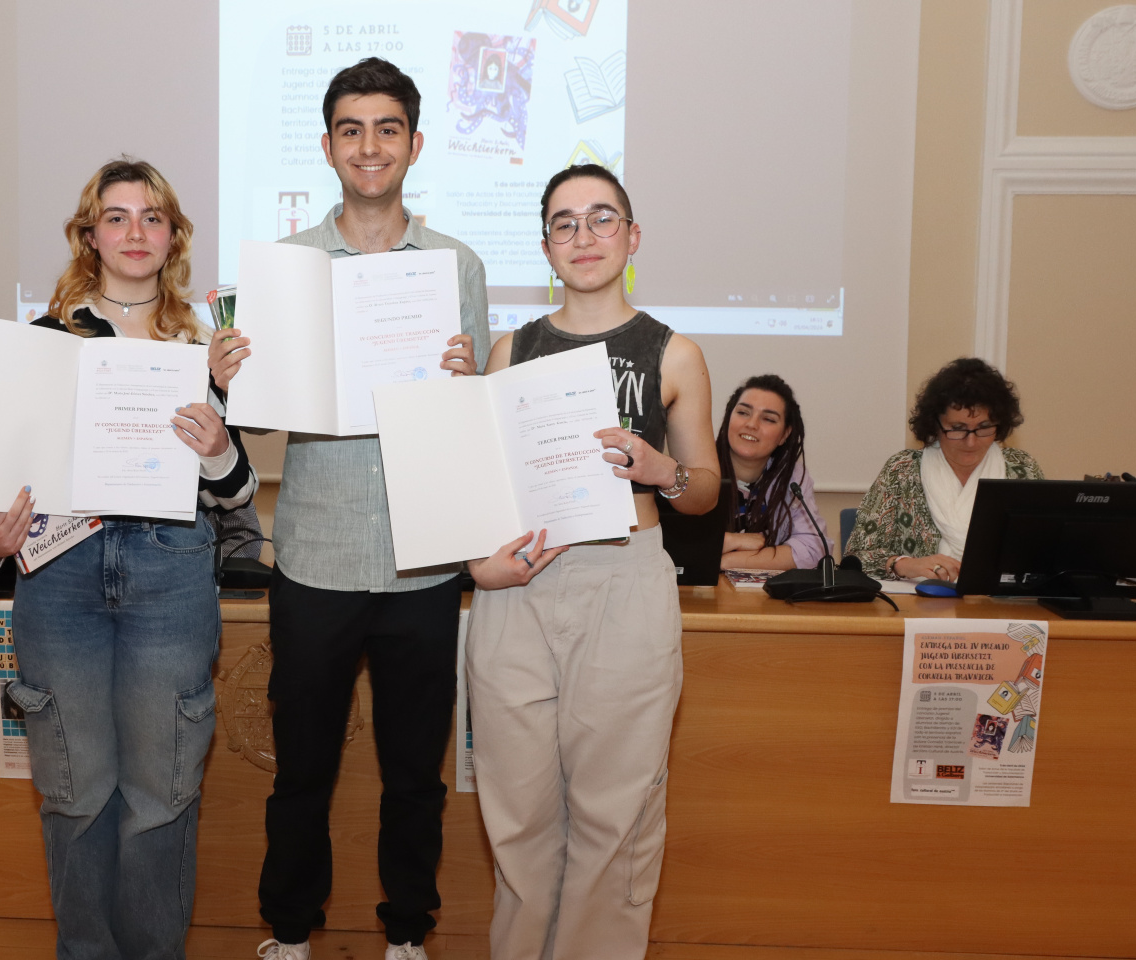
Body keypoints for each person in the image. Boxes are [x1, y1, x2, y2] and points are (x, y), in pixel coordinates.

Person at [208, 58, 488, 960]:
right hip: (315, 559)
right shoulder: (286, 267)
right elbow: (256, 420)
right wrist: (230, 380)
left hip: (423, 561)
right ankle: (291, 931)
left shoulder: (456, 265)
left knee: (415, 776)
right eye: (352, 130)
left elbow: (474, 418)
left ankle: (407, 934)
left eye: (388, 129)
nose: (371, 146)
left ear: (415, 143)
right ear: (328, 146)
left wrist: (465, 384)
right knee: (302, 771)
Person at [0, 158, 256, 960]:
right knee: (74, 792)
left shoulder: (204, 349)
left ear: (173, 237)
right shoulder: (43, 343)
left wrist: (217, 441)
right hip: (59, 581)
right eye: (118, 217)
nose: (136, 232)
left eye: (152, 217)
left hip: (171, 572)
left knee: (162, 793)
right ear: (89, 235)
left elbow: (237, 493)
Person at [464, 163, 720, 960]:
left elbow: (706, 489)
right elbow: (483, 484)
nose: (585, 236)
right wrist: (477, 567)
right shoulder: (512, 349)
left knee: (616, 813)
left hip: (626, 579)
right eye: (565, 223)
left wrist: (663, 471)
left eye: (602, 218)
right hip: (522, 585)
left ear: (632, 237)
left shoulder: (675, 354)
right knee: (517, 812)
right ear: (546, 246)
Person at [845, 356, 1043, 581]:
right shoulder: (902, 471)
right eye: (958, 428)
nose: (971, 442)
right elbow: (856, 557)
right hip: (917, 599)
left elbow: (1047, 552)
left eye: (984, 428)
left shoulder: (1021, 469)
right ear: (935, 424)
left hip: (999, 600)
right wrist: (904, 564)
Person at [715, 374, 829, 570]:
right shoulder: (696, 466)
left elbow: (814, 549)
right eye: (743, 412)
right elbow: (675, 546)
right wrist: (731, 541)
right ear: (728, 418)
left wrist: (725, 561)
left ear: (784, 435)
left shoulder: (791, 476)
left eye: (768, 419)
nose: (752, 424)